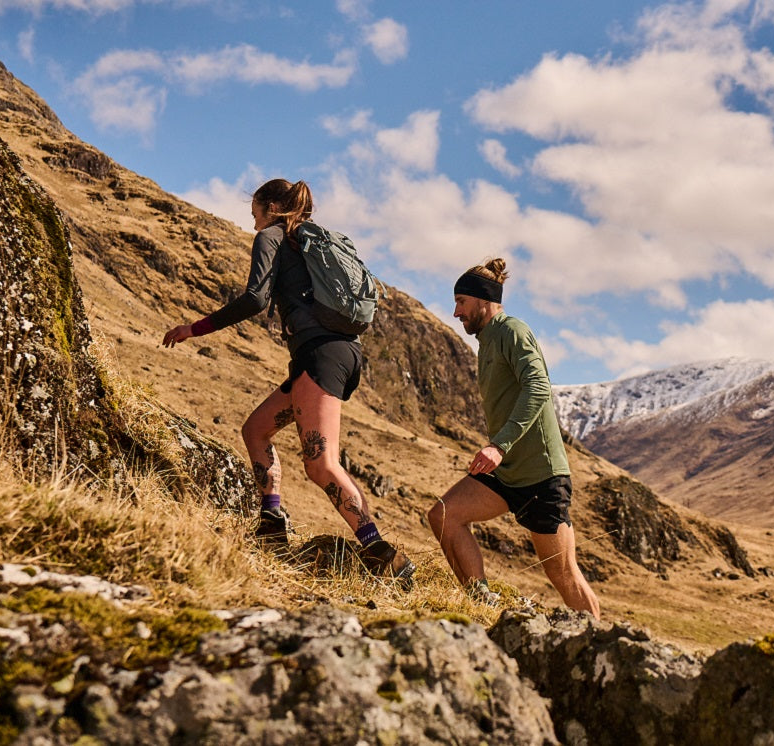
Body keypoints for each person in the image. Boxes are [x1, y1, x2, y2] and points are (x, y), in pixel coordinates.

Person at [161, 178, 414, 587]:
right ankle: (272, 524)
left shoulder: (272, 238)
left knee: (320, 464)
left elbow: (255, 299)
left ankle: (382, 555)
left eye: (255, 211)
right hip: (332, 355)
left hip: (320, 356)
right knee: (256, 431)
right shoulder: (309, 242)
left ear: (271, 207)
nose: (252, 220)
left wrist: (195, 328)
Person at [427, 259, 601, 619]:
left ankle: (603, 645)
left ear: (483, 300)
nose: (456, 312)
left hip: (541, 476)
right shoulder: (488, 341)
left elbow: (538, 388)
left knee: (564, 576)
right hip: (508, 474)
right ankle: (481, 605)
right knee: (444, 515)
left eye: (461, 301)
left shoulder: (512, 331)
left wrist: (498, 444)